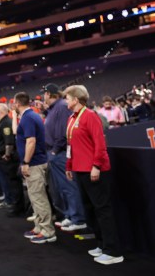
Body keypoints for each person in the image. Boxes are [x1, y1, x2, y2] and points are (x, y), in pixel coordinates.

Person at [64, 85, 124, 265]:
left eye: (67, 98)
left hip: (95, 170)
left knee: (102, 209)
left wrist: (96, 165)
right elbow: (70, 145)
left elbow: (100, 144)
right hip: (80, 169)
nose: (66, 101)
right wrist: (69, 164)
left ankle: (113, 251)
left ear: (75, 99)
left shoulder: (90, 116)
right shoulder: (71, 118)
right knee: (90, 209)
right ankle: (101, 243)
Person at [41, 83, 86, 232]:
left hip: (59, 153)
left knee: (68, 186)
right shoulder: (54, 108)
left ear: (49, 94)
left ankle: (78, 218)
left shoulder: (60, 107)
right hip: (55, 152)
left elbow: (62, 132)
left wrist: (54, 150)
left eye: (45, 93)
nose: (43, 96)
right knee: (61, 187)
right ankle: (70, 214)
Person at [14, 92, 56, 244]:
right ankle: (39, 227)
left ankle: (48, 231)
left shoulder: (28, 118)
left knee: (39, 198)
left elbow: (30, 141)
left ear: (17, 103)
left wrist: (25, 162)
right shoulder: (32, 116)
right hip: (37, 161)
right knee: (35, 197)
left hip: (34, 163)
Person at [0, 103, 24, 215]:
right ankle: (15, 205)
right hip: (2, 157)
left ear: (0, 111)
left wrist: (7, 155)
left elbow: (9, 141)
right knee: (10, 182)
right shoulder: (2, 123)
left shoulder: (6, 123)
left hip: (8, 159)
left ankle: (18, 207)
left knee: (13, 183)